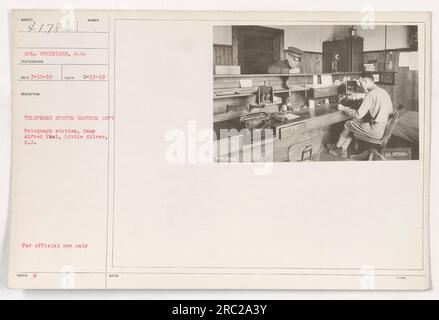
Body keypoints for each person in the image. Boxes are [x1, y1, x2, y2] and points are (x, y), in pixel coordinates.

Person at [328, 72, 393, 158]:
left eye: (361, 82)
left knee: (348, 124)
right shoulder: (383, 92)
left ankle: (338, 148)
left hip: (376, 131)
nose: (360, 85)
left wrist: (343, 108)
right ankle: (342, 147)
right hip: (385, 130)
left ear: (366, 81)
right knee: (354, 123)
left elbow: (357, 115)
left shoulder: (371, 94)